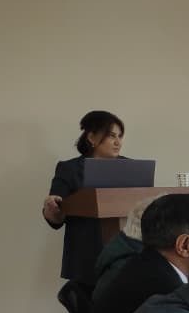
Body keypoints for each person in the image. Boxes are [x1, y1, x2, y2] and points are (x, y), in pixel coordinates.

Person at [42, 111, 126, 287]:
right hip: (86, 256)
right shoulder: (70, 169)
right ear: (92, 137)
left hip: (126, 256)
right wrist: (52, 210)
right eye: (111, 136)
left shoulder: (130, 167)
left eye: (120, 136)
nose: (118, 142)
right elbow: (56, 215)